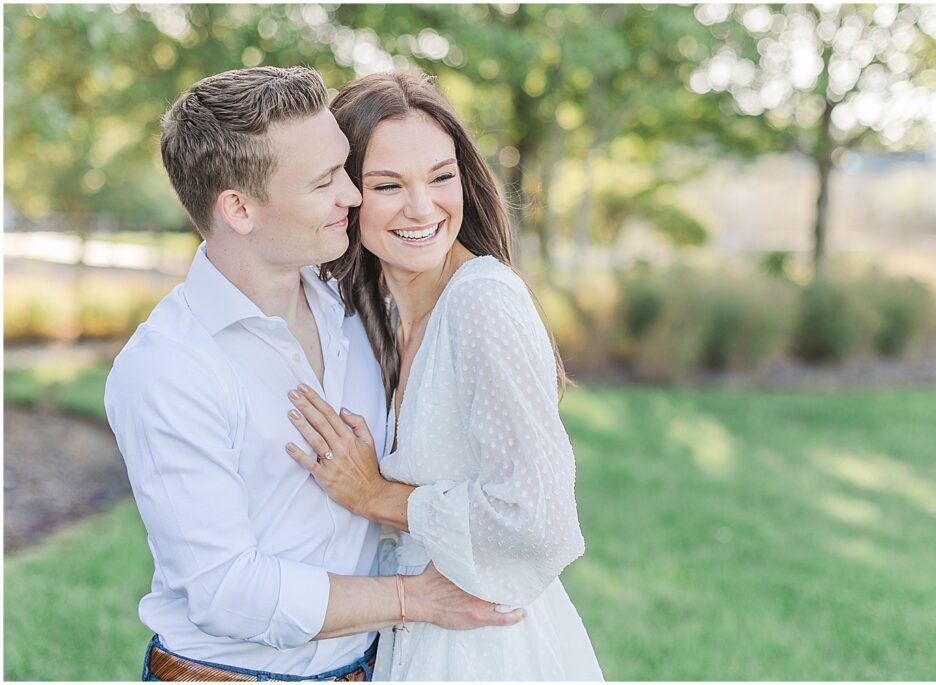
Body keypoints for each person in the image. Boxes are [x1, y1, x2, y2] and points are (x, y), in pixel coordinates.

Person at [104, 66, 523, 683]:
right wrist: (414, 599)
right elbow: (226, 592)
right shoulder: (167, 367)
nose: (352, 197)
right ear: (239, 209)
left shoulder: (353, 307)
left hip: (371, 667)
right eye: (325, 182)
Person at [283, 71, 604, 680]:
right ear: (346, 195)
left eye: (441, 176)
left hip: (488, 648)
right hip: (419, 634)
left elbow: (539, 520)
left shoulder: (481, 302)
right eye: (387, 185)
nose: (423, 207)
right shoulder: (376, 315)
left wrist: (377, 495)